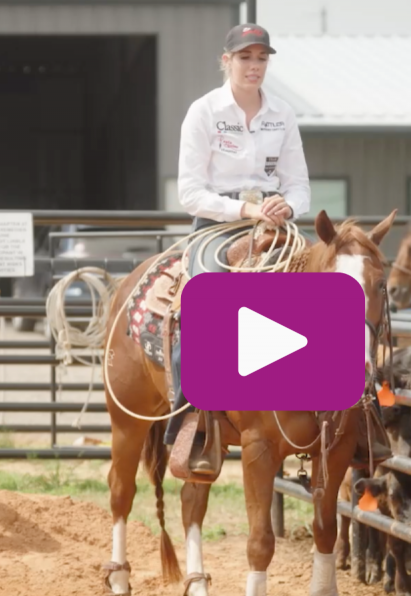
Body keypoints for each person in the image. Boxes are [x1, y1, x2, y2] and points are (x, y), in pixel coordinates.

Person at [163, 23, 312, 458]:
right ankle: (191, 417)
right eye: (245, 57)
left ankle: (331, 417)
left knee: (321, 292)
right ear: (226, 61)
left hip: (274, 224)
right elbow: (190, 193)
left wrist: (289, 205)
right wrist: (245, 210)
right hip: (217, 224)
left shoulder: (283, 114)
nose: (254, 66)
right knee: (200, 310)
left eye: (261, 58)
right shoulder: (204, 111)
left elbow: (299, 186)